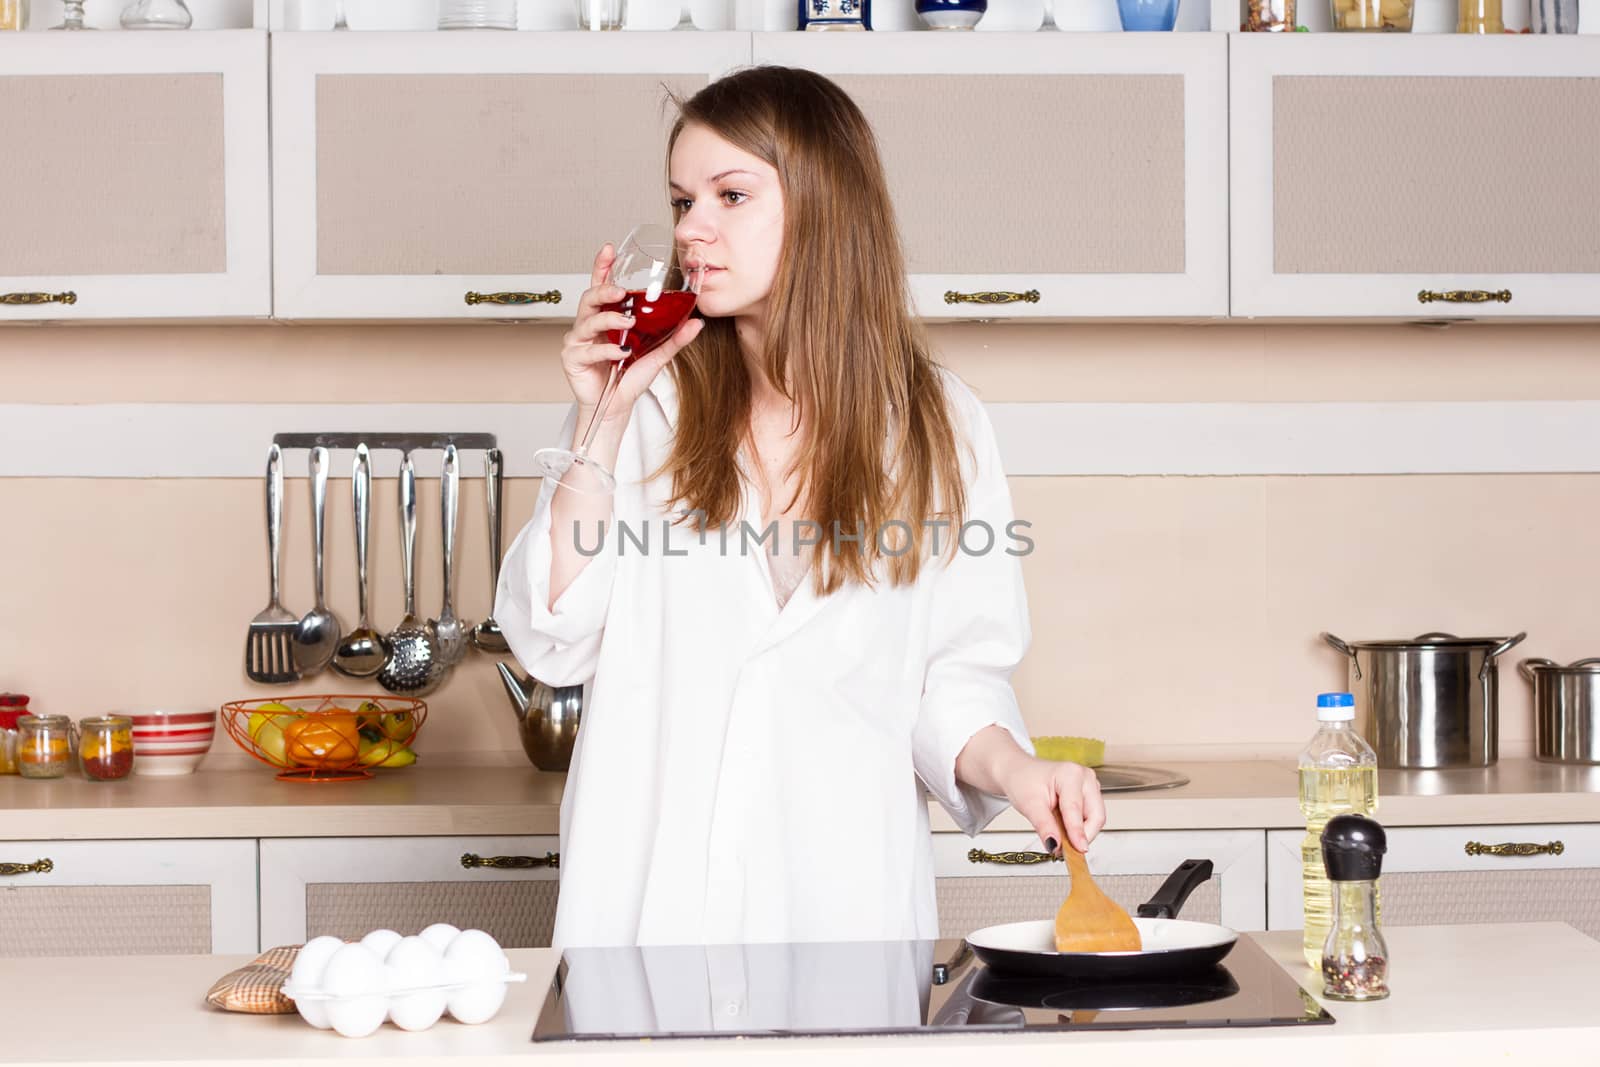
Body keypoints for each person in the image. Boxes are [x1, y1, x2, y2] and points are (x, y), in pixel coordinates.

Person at [495, 66, 1104, 949]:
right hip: (649, 917)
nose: (692, 230)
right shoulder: (644, 405)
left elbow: (952, 675)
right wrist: (600, 419)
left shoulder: (939, 426)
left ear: (824, 207)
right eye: (680, 202)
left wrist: (1018, 768)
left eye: (730, 194)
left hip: (843, 911)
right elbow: (552, 638)